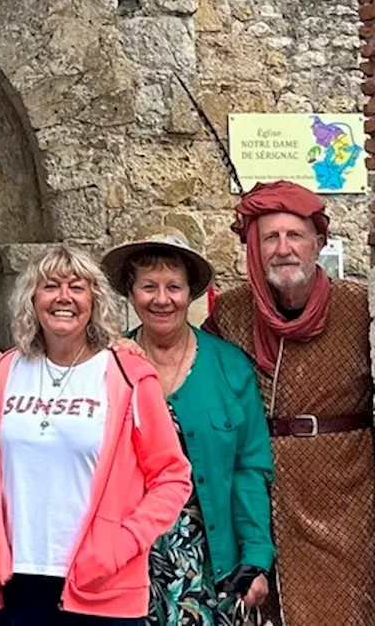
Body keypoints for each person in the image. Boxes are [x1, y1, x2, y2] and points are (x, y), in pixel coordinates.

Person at [0, 245, 191, 625]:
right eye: (50, 286)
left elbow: (171, 476)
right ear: (31, 299)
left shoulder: (126, 373)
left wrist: (121, 544)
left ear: (95, 301)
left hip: (103, 584)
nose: (64, 297)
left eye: (77, 287)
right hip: (19, 579)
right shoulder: (4, 370)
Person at [203, 180, 374, 625]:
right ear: (254, 249)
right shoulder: (231, 312)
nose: (283, 249)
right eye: (270, 238)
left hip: (345, 492)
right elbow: (180, 361)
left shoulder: (359, 305)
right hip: (258, 491)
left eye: (294, 235)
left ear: (318, 241)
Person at [100, 234, 275, 626]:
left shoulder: (229, 367)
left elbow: (250, 468)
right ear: (131, 292)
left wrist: (257, 557)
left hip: (214, 561)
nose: (162, 299)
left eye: (173, 287)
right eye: (149, 286)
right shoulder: (107, 365)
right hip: (130, 560)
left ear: (190, 294)